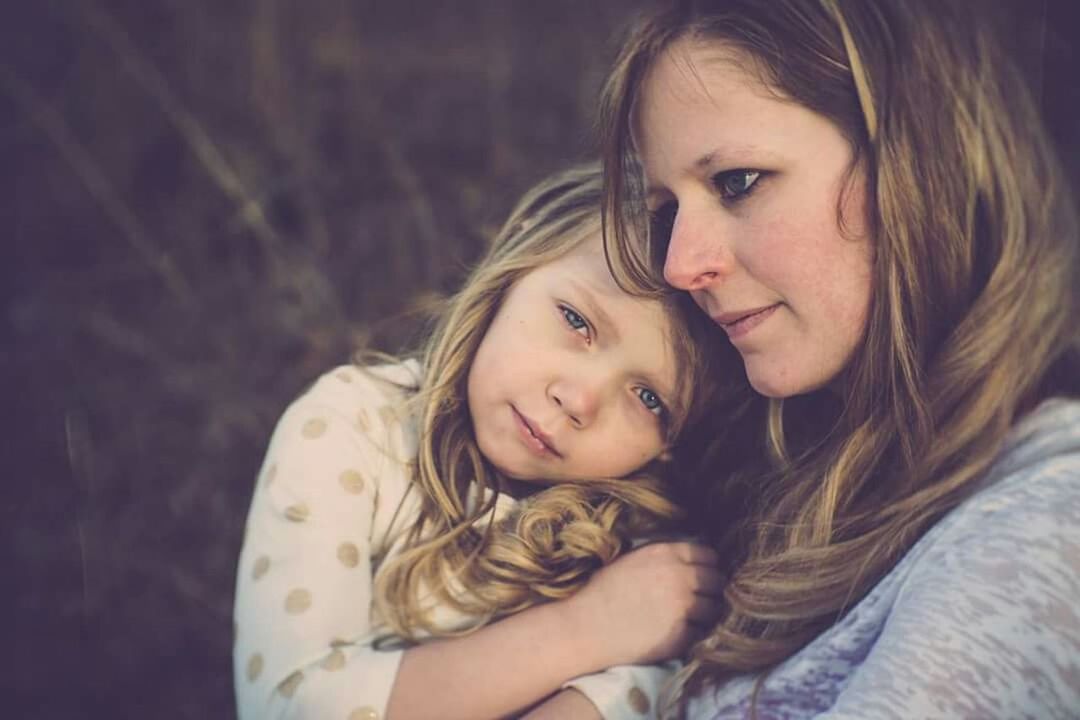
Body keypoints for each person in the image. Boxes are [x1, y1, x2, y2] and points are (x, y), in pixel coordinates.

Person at [598, 0, 1080, 717]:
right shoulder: (775, 476)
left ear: (919, 162)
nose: (678, 264)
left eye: (737, 181)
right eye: (667, 208)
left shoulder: (1041, 530)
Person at [233, 164, 739, 720]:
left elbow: (647, 696)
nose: (579, 400)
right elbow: (290, 704)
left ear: (671, 443)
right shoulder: (351, 426)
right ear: (517, 264)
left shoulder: (645, 557)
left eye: (649, 400)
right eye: (576, 320)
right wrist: (586, 629)